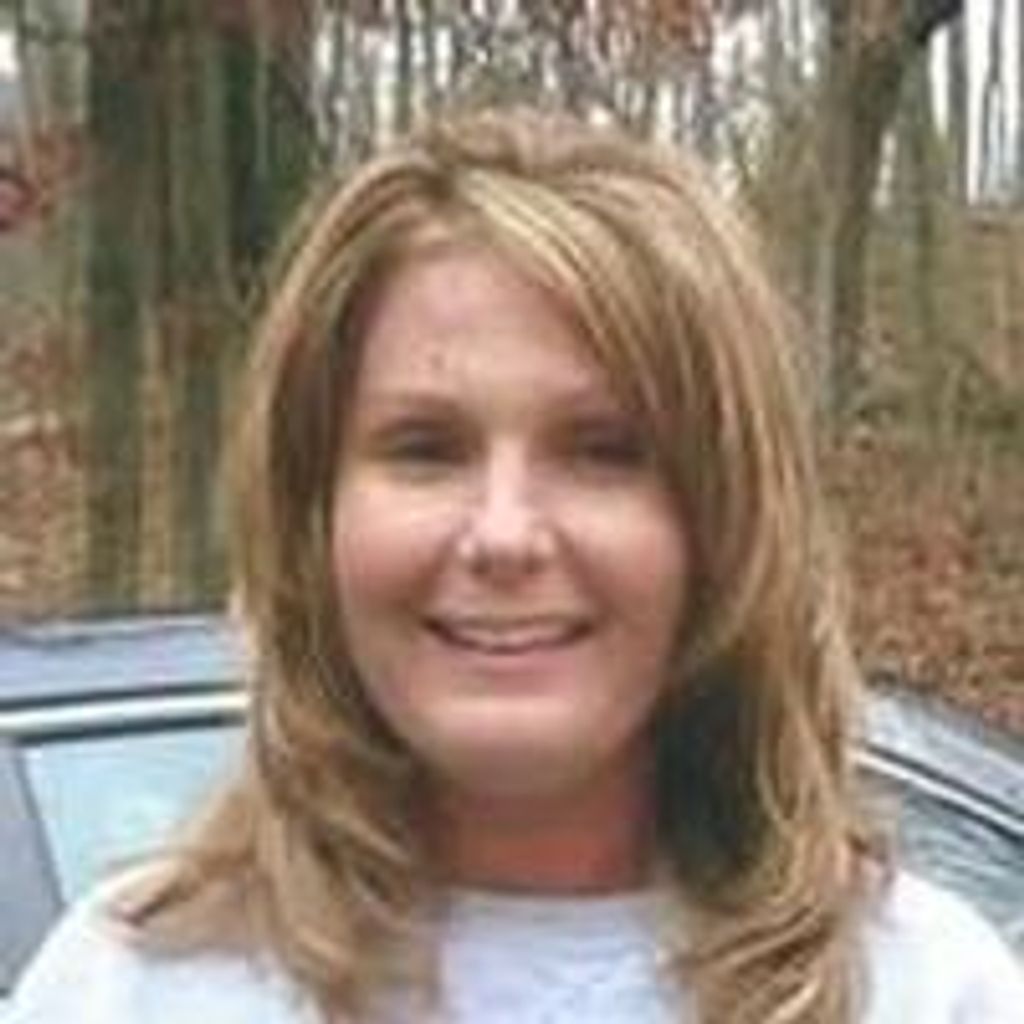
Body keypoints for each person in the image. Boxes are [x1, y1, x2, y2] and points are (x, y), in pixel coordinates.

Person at [7, 108, 1023, 1024]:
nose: (504, 535)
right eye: (425, 449)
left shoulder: (923, 991)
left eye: (604, 451)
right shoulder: (129, 987)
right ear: (313, 516)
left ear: (724, 524)